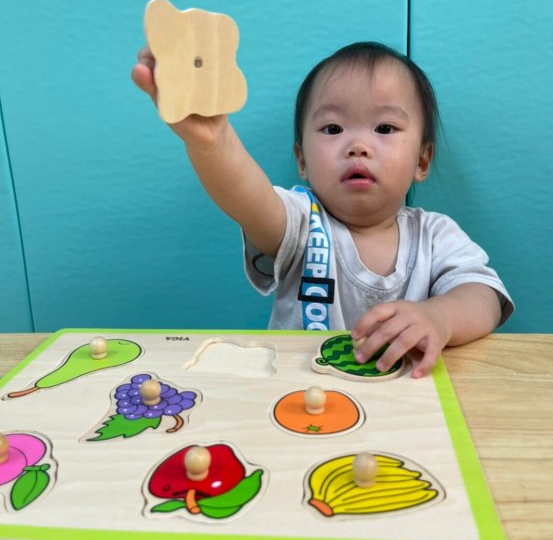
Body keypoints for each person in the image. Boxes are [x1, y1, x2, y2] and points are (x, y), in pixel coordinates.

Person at [132, 40, 513, 378]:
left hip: (407, 404)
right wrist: (214, 142)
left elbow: (484, 297)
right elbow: (247, 198)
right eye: (333, 129)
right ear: (302, 160)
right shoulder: (301, 221)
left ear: (422, 161)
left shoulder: (435, 235)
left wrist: (440, 316)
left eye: (384, 128)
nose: (358, 146)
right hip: (296, 404)